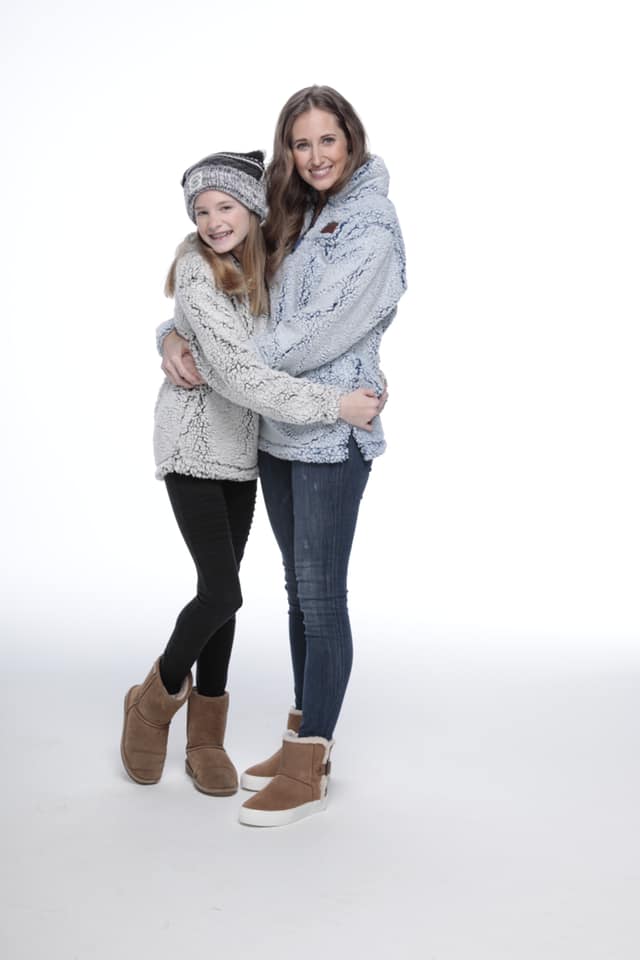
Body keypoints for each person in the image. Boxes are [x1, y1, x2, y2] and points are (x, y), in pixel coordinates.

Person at [162, 86, 407, 827]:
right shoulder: (291, 215)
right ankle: (301, 734)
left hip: (333, 432)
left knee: (323, 596)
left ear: (351, 139)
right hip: (275, 432)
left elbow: (314, 334)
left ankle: (311, 766)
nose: (316, 155)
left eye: (328, 139)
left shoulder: (370, 226)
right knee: (300, 594)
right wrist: (172, 336)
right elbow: (228, 286)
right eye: (302, 143)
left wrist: (221, 354)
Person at [120, 149, 382, 798]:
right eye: (201, 211)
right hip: (192, 445)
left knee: (224, 591)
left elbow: (310, 332)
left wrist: (168, 334)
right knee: (222, 592)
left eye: (226, 206)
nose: (212, 221)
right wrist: (335, 405)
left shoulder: (266, 263)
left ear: (254, 210)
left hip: (244, 449)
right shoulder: (195, 268)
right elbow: (239, 373)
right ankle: (153, 700)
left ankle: (206, 739)